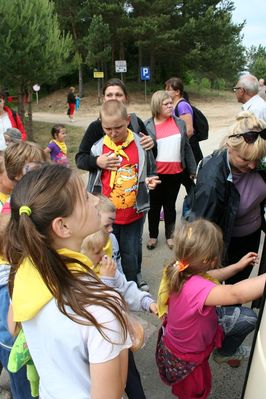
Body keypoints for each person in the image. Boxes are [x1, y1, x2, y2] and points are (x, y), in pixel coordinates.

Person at [4, 164, 132, 399]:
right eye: (85, 197)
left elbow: (13, 327)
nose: (95, 200)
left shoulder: (24, 272)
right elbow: (111, 394)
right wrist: (126, 329)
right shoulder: (100, 306)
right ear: (62, 226)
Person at [156, 219, 265, 399]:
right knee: (195, 392)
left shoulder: (180, 269)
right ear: (210, 260)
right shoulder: (196, 288)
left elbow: (214, 275)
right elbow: (236, 294)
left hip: (186, 344)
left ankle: (221, 353)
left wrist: (237, 266)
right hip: (189, 356)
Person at [76, 77, 154, 292]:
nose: (112, 132)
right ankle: (108, 282)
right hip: (104, 210)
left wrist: (150, 175)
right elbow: (81, 158)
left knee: (130, 248)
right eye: (109, 94)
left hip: (133, 209)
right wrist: (97, 162)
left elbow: (149, 162)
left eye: (118, 94)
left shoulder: (137, 131)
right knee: (106, 247)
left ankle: (132, 280)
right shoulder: (96, 137)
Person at [187, 111, 266, 283]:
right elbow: (200, 225)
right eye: (246, 159)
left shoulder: (258, 162)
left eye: (257, 158)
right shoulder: (212, 182)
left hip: (252, 236)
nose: (253, 165)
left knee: (241, 279)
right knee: (227, 288)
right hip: (229, 243)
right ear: (230, 147)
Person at [145, 90, 196, 250]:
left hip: (176, 172)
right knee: (154, 206)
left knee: (170, 205)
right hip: (156, 174)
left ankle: (169, 235)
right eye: (166, 104)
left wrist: (192, 168)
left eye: (170, 103)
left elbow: (186, 147)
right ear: (156, 106)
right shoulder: (148, 125)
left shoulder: (179, 123)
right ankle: (153, 235)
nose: (170, 106)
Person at [0, 213, 34, 399]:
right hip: (17, 346)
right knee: (26, 391)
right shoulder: (12, 279)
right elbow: (15, 326)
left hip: (3, 343)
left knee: (18, 385)